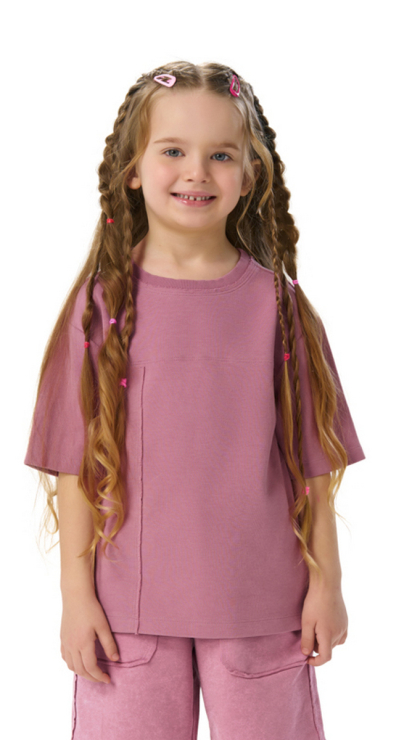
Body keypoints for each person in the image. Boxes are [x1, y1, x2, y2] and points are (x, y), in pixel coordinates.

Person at [24, 60, 366, 740]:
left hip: (263, 607)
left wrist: (326, 584)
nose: (197, 173)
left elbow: (314, 463)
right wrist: (75, 598)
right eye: (174, 151)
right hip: (127, 617)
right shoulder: (99, 308)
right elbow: (72, 468)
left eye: (221, 156)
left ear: (251, 174)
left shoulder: (280, 307)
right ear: (132, 169)